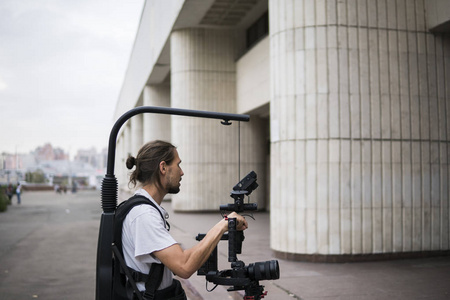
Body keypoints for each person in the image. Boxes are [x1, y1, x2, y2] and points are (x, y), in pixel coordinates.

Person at [122, 140, 248, 299]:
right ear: (163, 168)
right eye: (178, 165)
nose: (182, 172)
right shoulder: (144, 215)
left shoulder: (145, 208)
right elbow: (184, 266)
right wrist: (224, 225)